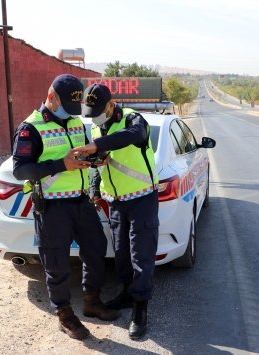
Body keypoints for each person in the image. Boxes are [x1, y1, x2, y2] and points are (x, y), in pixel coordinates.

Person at [12, 74, 119, 341]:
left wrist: (94, 159)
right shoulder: (30, 127)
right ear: (51, 97)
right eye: (67, 107)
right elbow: (20, 170)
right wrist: (62, 165)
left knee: (96, 251)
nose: (72, 114)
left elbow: (78, 153)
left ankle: (92, 301)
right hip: (52, 207)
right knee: (56, 264)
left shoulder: (75, 122)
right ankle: (65, 316)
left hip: (82, 202)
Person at [73, 83, 159, 340]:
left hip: (142, 197)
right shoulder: (97, 125)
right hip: (116, 201)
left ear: (111, 105)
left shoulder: (134, 119)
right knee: (121, 253)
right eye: (91, 112)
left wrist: (97, 145)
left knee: (140, 255)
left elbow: (134, 136)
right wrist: (94, 185)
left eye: (99, 111)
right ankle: (126, 293)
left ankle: (140, 309)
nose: (95, 117)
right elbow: (100, 164)